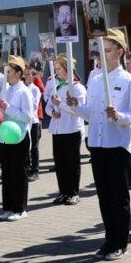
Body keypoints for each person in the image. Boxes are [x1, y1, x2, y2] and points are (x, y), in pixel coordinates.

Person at [65, 28, 131, 261]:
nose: (101, 54)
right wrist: (75, 106)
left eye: (107, 50)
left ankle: (120, 243)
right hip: (97, 144)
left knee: (119, 197)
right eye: (100, 50)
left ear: (120, 52)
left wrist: (119, 115)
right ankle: (109, 239)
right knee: (103, 196)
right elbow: (91, 113)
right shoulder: (96, 80)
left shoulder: (129, 81)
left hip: (118, 146)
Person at [0, 55, 35, 221]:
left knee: (19, 174)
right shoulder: (7, 89)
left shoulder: (25, 92)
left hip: (19, 137)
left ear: (19, 73)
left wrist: (8, 108)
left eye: (9, 71)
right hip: (6, 136)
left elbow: (28, 117)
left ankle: (20, 209)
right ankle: (8, 207)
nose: (6, 74)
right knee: (7, 173)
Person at [45, 54, 86, 205]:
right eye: (55, 69)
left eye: (59, 69)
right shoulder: (56, 86)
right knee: (60, 162)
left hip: (71, 130)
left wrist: (60, 104)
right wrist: (52, 112)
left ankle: (73, 192)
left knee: (72, 163)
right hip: (57, 130)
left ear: (68, 69)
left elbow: (79, 110)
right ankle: (63, 192)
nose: (56, 72)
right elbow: (48, 105)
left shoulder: (78, 88)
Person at [23, 66, 43, 181]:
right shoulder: (23, 88)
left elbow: (35, 105)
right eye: (25, 74)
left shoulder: (35, 89)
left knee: (34, 147)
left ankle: (35, 170)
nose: (26, 76)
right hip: (25, 122)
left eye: (29, 74)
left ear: (33, 76)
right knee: (26, 146)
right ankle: (27, 168)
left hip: (33, 121)